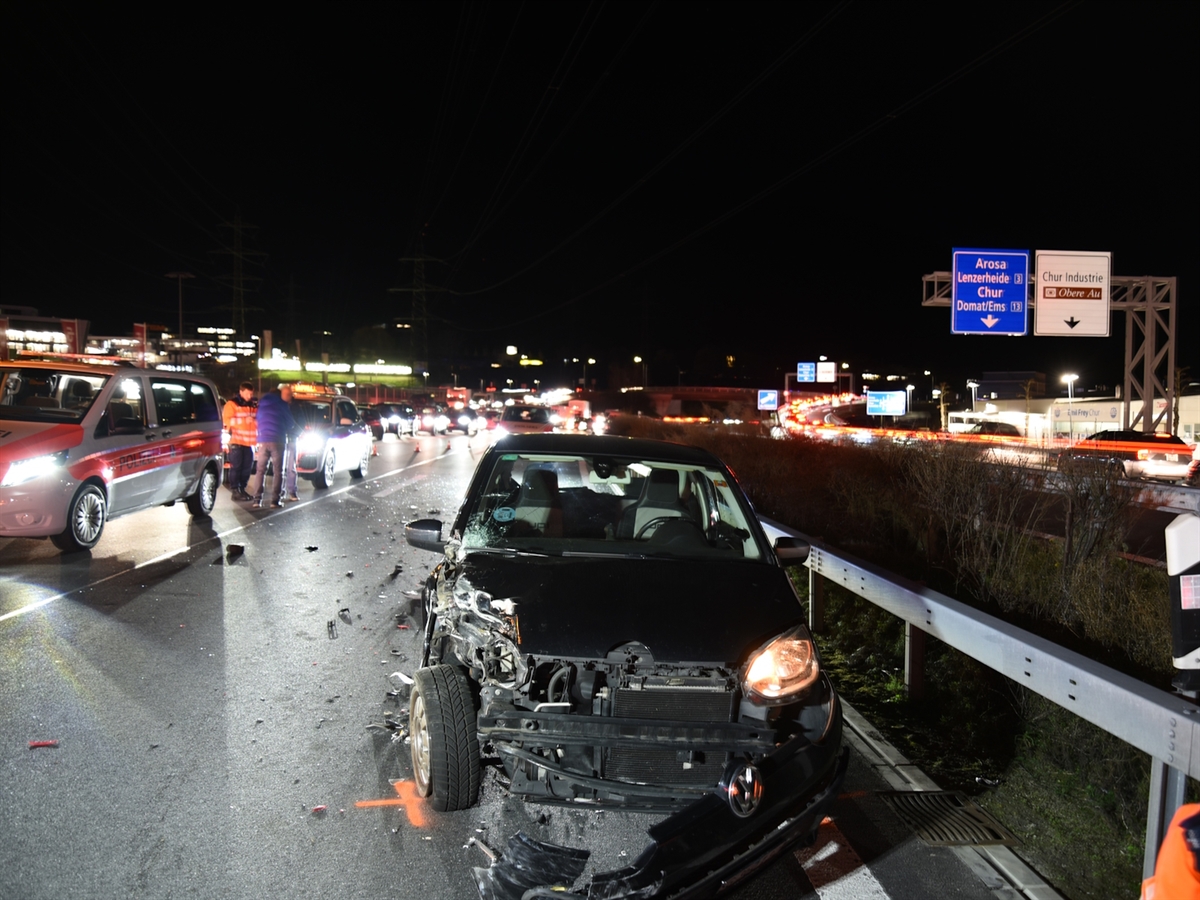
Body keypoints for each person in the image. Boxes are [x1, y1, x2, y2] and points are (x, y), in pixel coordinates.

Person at [247, 383, 297, 508]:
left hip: (263, 440)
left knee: (260, 471)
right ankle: (275, 501)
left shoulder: (262, 404)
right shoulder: (282, 404)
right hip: (277, 440)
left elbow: (258, 419)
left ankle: (256, 500)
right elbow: (291, 423)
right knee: (278, 472)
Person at [222, 381, 257, 502]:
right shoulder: (232, 404)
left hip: (249, 443)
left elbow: (256, 422)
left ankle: (242, 489)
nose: (249, 396)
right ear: (241, 392)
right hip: (236, 441)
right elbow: (227, 421)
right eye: (247, 393)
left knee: (247, 468)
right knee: (236, 467)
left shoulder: (253, 405)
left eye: (251, 394)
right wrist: (243, 421)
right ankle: (235, 490)